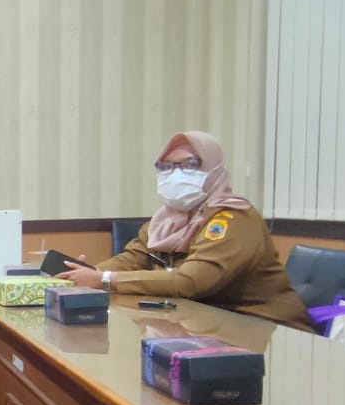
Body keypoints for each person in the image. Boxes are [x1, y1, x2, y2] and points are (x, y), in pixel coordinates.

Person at [58, 130, 312, 330]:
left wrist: (103, 280)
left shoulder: (233, 218)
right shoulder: (167, 219)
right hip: (200, 325)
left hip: (263, 329)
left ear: (213, 169)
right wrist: (88, 273)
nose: (175, 175)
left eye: (189, 165)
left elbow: (190, 281)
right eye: (166, 167)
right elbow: (133, 258)